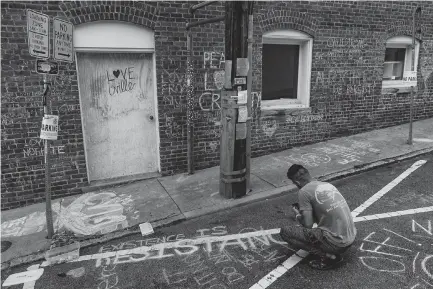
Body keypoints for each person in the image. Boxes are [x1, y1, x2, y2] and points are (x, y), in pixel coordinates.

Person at [280, 164, 357, 270]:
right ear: (308, 173)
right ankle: (330, 250)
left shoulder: (303, 192)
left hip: (337, 243)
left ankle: (329, 257)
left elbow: (308, 225)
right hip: (351, 237)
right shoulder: (326, 185)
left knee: (285, 232)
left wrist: (298, 215)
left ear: (296, 182)